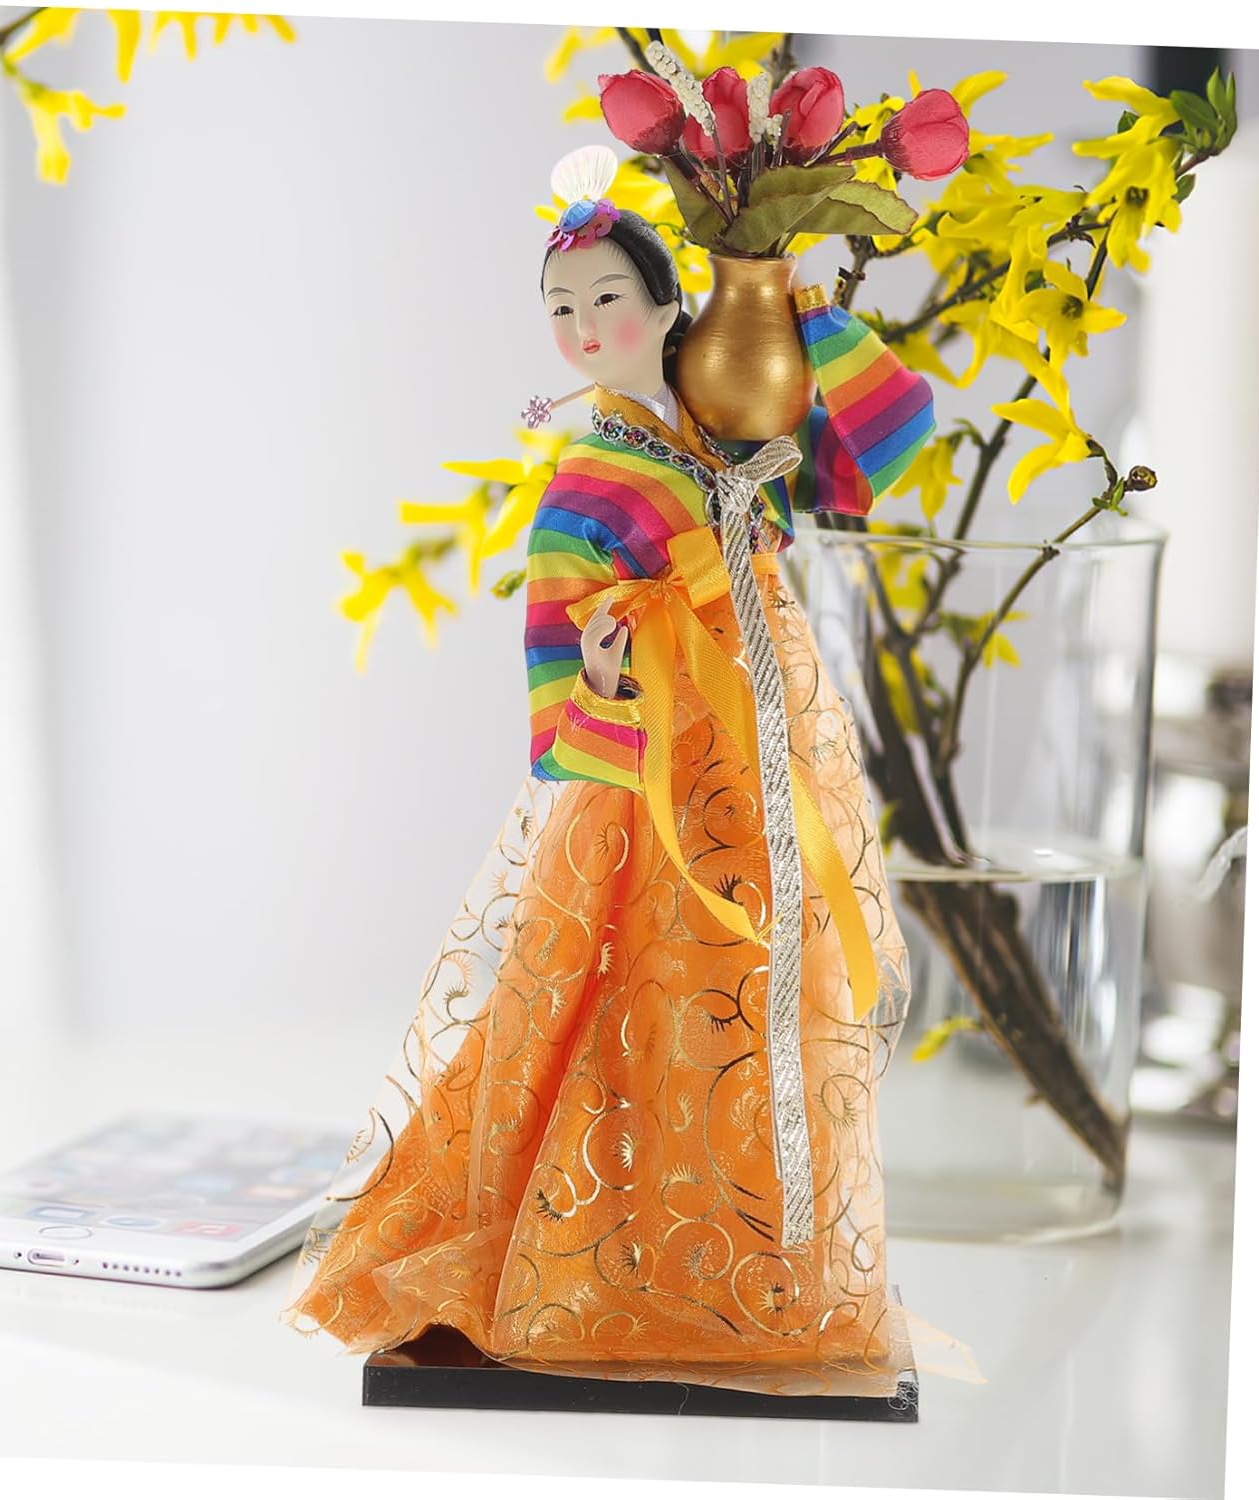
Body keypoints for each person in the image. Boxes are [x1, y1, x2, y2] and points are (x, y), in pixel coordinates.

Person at [282, 148, 932, 1398]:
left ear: (669, 300)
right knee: (636, 997)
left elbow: (886, 446)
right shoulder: (588, 477)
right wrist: (606, 665)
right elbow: (557, 664)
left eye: (606, 301)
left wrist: (792, 303)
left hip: (766, 731)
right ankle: (615, 1243)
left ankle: (750, 1247)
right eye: (562, 311)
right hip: (662, 769)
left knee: (770, 986)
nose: (585, 330)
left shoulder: (727, 404)